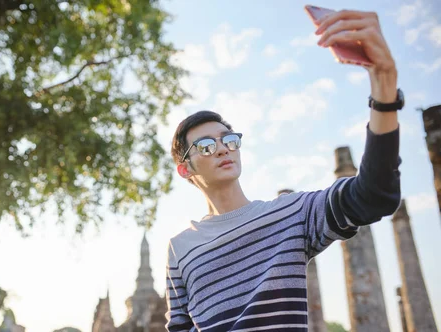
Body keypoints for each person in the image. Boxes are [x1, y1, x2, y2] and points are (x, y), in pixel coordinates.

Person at [165, 9, 403, 332]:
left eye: (229, 140)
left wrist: (384, 87)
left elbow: (374, 194)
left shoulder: (291, 214)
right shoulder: (180, 250)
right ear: (184, 169)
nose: (222, 148)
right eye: (206, 146)